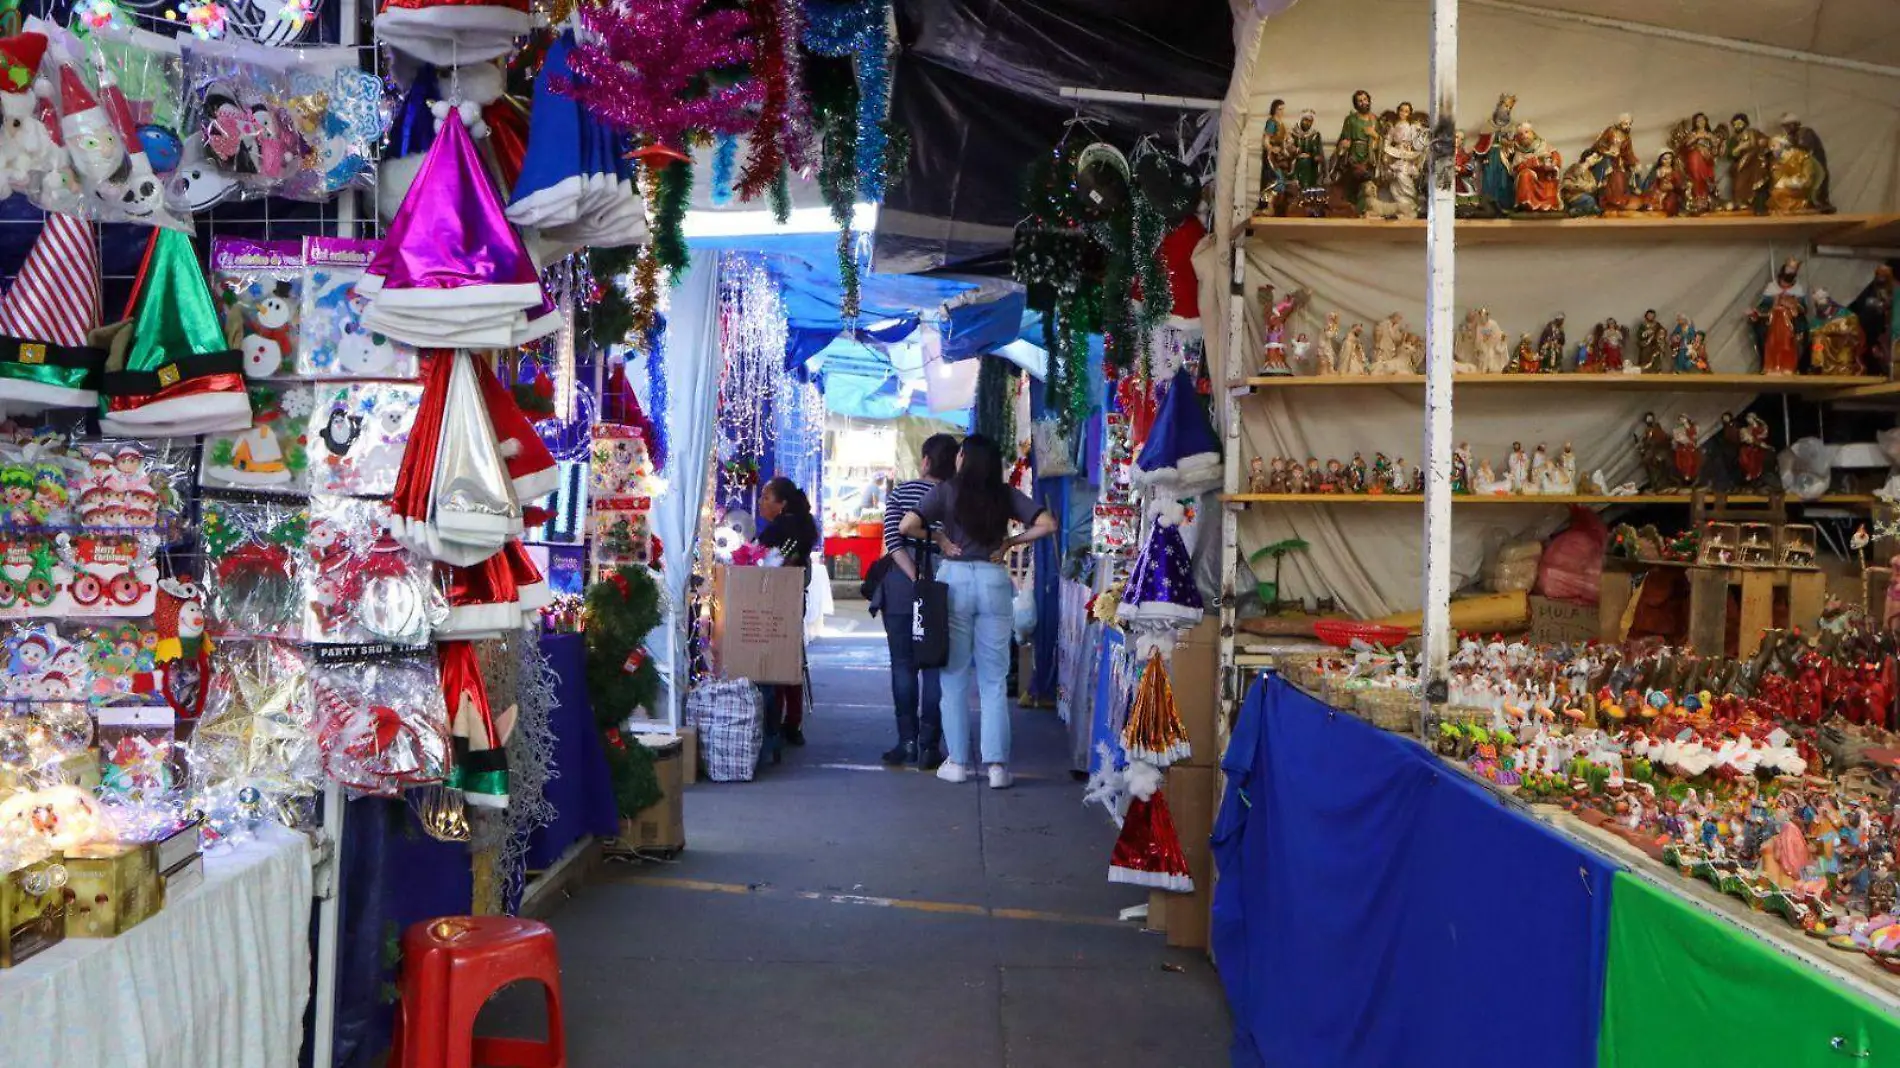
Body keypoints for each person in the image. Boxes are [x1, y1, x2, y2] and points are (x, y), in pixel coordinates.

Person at [899, 435, 1057, 789]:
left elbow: (906, 526)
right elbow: (1048, 524)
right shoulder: (1004, 495)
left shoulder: (946, 492)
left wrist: (940, 539)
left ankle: (956, 762)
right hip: (993, 581)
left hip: (954, 582)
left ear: (964, 459)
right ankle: (997, 767)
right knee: (993, 680)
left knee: (954, 677)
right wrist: (1010, 543)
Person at [877, 435, 959, 768]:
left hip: (900, 585)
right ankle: (929, 746)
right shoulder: (956, 496)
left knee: (903, 665)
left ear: (925, 460)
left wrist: (913, 576)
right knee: (937, 666)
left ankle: (906, 742)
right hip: (944, 584)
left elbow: (892, 539)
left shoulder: (900, 492)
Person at [755, 477, 817, 747]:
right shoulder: (802, 526)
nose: (761, 502)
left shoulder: (780, 529)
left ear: (782, 504)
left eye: (767, 498)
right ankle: (793, 722)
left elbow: (768, 561)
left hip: (775, 602)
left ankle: (775, 724)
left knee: (776, 662)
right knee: (791, 659)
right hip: (794, 602)